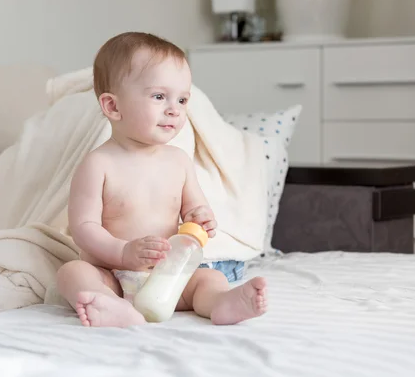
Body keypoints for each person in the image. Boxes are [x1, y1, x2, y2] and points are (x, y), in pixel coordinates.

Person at [55, 32, 267, 327]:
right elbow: (83, 228)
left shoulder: (178, 160)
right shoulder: (98, 164)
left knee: (209, 277)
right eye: (159, 96)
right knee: (71, 274)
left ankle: (222, 302)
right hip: (113, 274)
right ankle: (114, 308)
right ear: (113, 107)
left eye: (182, 99)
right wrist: (123, 252)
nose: (174, 109)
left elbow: (195, 210)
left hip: (168, 276)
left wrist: (201, 218)